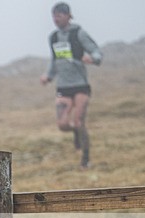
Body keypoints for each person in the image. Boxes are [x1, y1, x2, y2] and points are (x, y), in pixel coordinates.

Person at [39, 2, 103, 169]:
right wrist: (48, 76)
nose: (56, 19)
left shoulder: (79, 33)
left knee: (79, 121)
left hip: (80, 85)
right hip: (63, 86)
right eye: (53, 16)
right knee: (62, 124)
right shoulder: (53, 37)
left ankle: (85, 160)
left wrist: (93, 59)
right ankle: (75, 131)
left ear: (68, 16)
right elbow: (55, 60)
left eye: (59, 15)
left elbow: (96, 51)